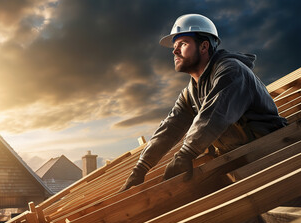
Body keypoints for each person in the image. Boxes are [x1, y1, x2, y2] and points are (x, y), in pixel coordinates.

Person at [120, 14, 287, 191]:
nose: (174, 51)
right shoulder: (191, 92)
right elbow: (169, 128)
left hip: (273, 154)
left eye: (182, 44)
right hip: (239, 160)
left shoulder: (231, 71)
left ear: (204, 46)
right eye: (174, 46)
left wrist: (185, 154)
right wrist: (141, 168)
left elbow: (214, 114)